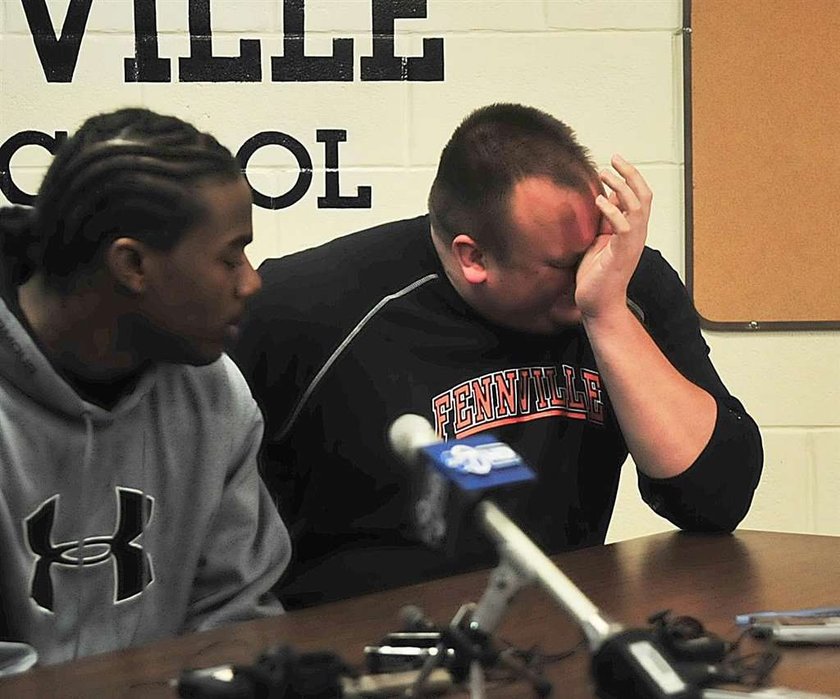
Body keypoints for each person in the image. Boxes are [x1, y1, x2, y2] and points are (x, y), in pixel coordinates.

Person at [233, 103, 763, 610]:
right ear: (474, 257)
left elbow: (716, 499)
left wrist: (607, 314)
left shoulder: (622, 285)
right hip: (360, 647)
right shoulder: (308, 307)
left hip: (550, 638)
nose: (593, 271)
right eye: (568, 264)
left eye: (597, 245)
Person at [0, 108, 291, 666]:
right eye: (230, 256)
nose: (252, 281)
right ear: (132, 264)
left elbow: (237, 614)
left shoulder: (214, 393)